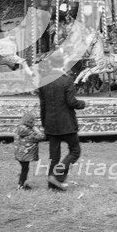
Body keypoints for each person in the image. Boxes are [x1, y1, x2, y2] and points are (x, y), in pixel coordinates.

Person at [38, 52, 87, 190]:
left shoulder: (43, 81)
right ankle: (57, 177)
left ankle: (52, 184)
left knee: (54, 155)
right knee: (75, 151)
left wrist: (44, 123)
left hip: (50, 122)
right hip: (66, 123)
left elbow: (43, 105)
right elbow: (71, 102)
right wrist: (83, 104)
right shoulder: (67, 81)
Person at [14, 110, 46, 190]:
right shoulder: (30, 132)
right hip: (25, 155)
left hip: (19, 154)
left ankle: (23, 182)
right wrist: (35, 128)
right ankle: (21, 185)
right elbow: (41, 136)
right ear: (31, 121)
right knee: (25, 169)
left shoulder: (20, 128)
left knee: (24, 168)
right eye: (34, 121)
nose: (35, 123)